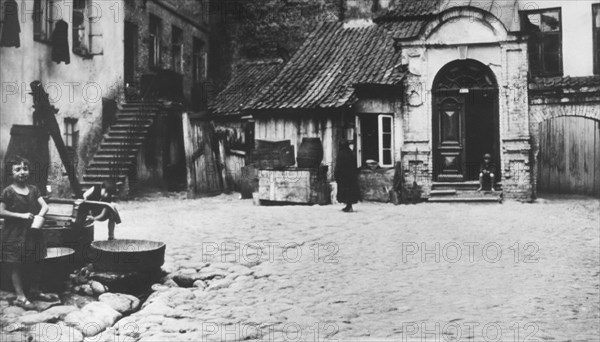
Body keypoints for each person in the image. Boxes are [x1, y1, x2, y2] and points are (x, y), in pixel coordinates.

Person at [0, 156, 56, 310]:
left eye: (25, 169)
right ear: (11, 173)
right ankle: (20, 296)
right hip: (14, 234)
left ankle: (35, 290)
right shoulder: (8, 192)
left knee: (37, 260)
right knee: (16, 264)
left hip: (33, 232)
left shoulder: (33, 189)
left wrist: (40, 215)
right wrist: (21, 215)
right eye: (17, 169)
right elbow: (1, 211)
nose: (22, 172)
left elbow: (44, 206)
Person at [335, 140, 360, 212]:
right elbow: (355, 165)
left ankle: (348, 206)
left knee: (345, 191)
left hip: (343, 176)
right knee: (350, 191)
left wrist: (336, 175)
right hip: (351, 176)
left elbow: (338, 166)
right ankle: (349, 206)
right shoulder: (351, 153)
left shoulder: (341, 154)